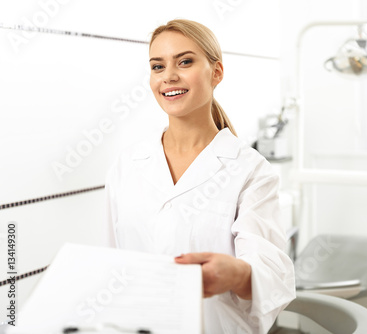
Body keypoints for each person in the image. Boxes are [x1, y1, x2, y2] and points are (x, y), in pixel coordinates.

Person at [104, 19, 295, 333]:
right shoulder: (128, 163)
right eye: (157, 66)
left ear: (216, 72)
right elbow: (113, 260)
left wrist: (237, 274)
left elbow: (272, 275)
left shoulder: (251, 171)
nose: (169, 77)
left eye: (185, 61)